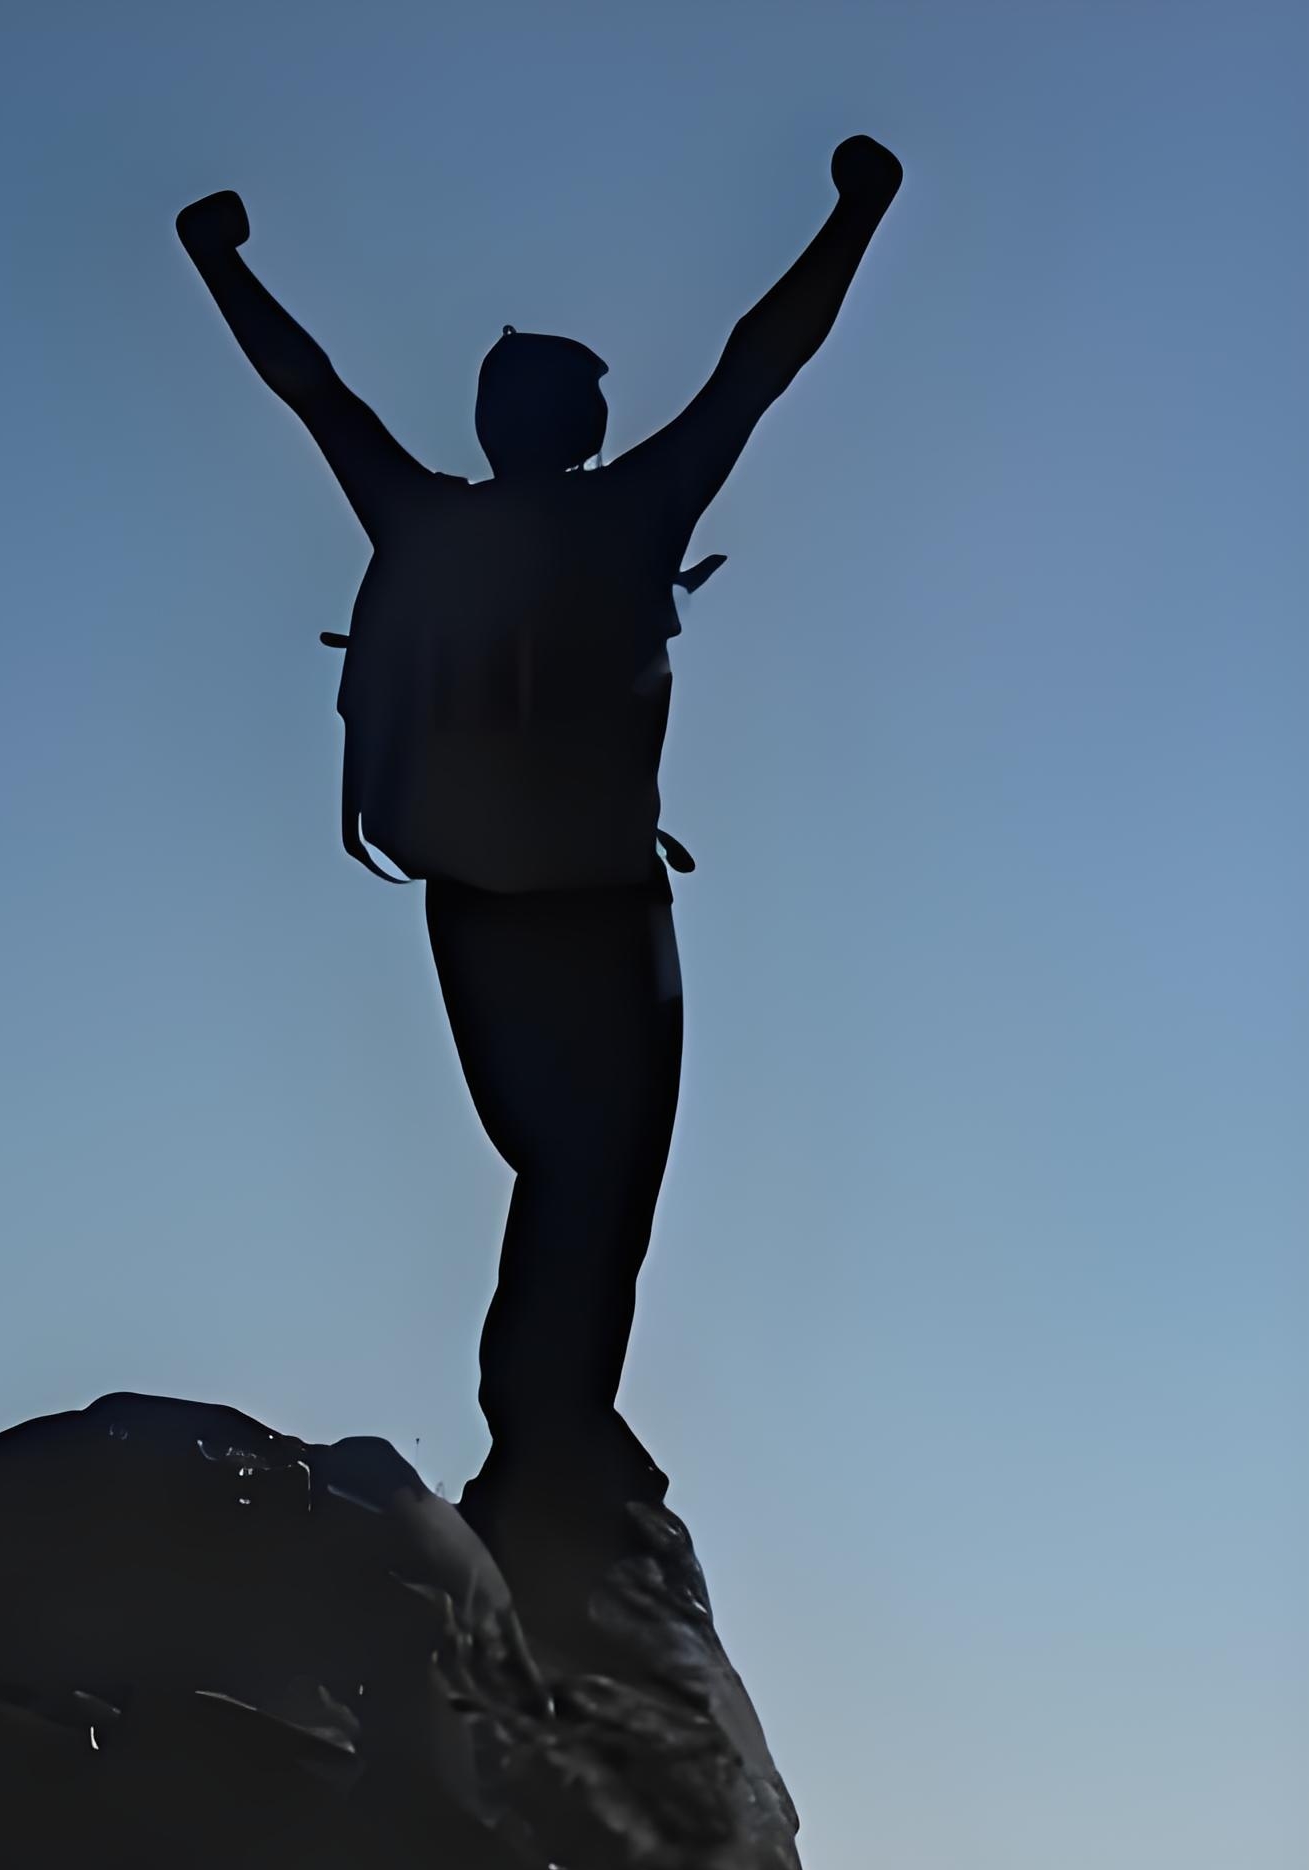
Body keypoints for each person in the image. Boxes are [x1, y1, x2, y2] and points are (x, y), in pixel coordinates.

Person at [177, 140, 902, 1534]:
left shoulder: (422, 519)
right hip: (598, 906)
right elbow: (765, 359)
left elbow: (310, 391)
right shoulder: (633, 512)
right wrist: (857, 211)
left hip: (472, 906)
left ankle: (544, 1427)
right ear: (574, 422)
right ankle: (547, 1439)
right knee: (602, 1174)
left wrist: (221, 264)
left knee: (554, 1166)